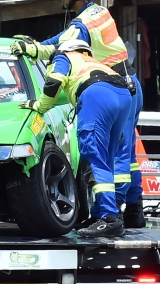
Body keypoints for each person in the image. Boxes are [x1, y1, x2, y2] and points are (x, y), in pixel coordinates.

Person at [11, 0, 146, 228]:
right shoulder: (100, 12)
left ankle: (110, 214)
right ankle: (134, 210)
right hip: (129, 85)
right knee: (127, 155)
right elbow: (65, 39)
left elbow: (62, 46)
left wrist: (34, 49)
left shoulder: (80, 24)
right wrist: (38, 45)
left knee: (110, 154)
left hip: (107, 87)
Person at [18, 39, 132, 236]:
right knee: (106, 160)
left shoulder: (65, 57)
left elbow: (54, 82)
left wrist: (39, 107)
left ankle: (110, 219)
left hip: (97, 95)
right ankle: (100, 214)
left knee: (95, 157)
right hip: (123, 95)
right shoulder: (93, 63)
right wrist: (44, 101)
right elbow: (64, 95)